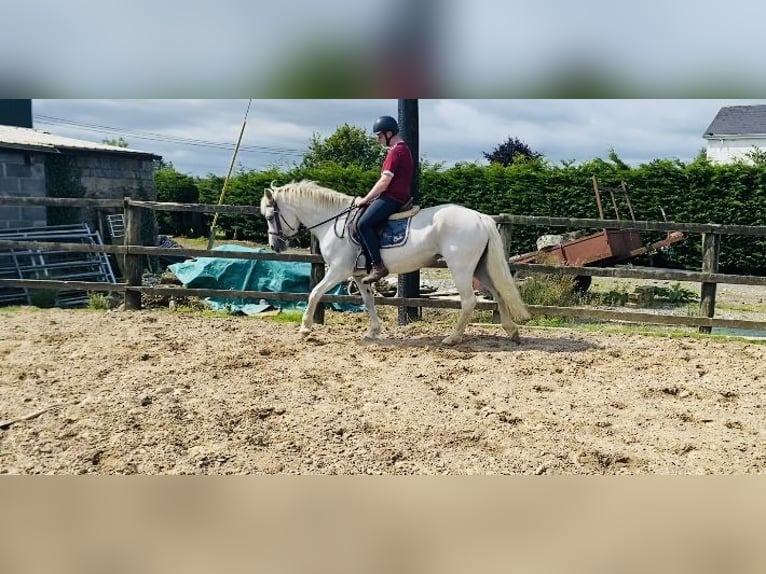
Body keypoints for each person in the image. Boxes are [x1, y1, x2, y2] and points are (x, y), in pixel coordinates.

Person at [354, 115, 414, 284]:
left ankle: (378, 266)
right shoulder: (403, 149)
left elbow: (384, 182)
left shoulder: (396, 151)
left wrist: (365, 199)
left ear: (389, 133)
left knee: (363, 224)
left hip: (392, 198)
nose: (378, 140)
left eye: (379, 136)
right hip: (397, 196)